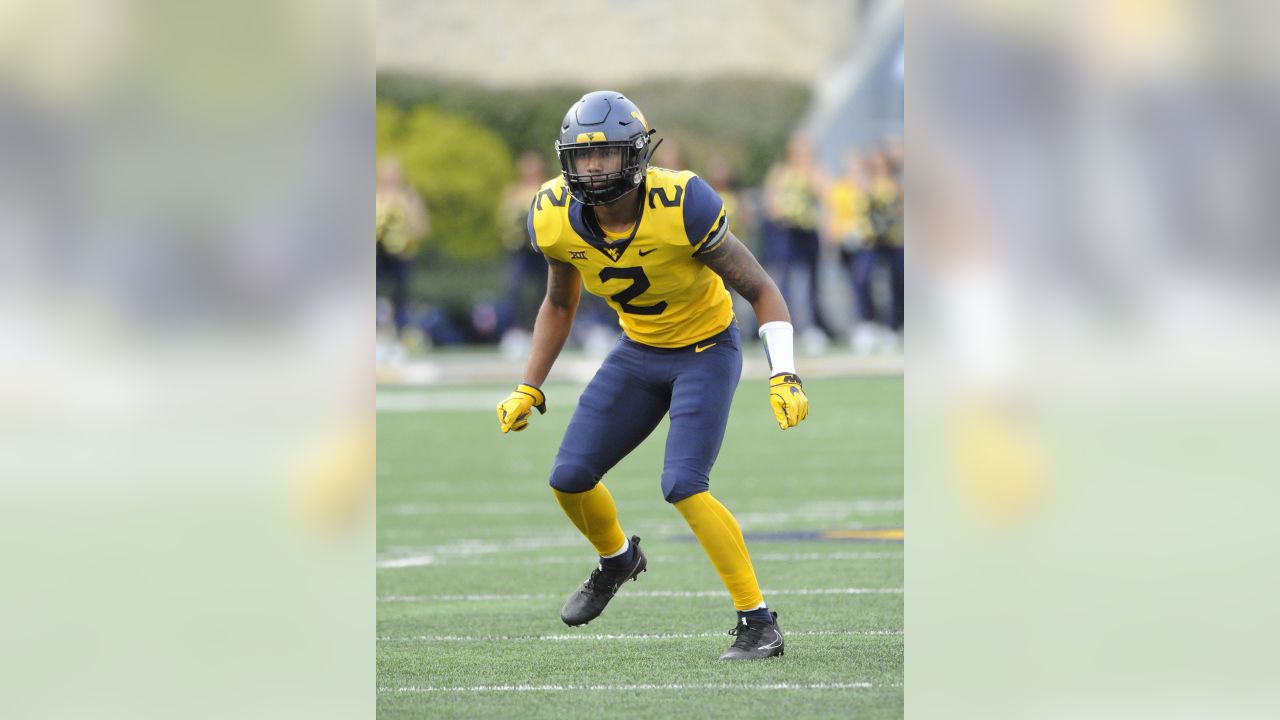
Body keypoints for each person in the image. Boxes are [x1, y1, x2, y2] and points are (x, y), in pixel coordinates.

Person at [495, 91, 809, 661]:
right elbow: (559, 305)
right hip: (637, 351)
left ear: (636, 156)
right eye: (582, 156)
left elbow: (761, 290)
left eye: (606, 155)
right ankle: (617, 558)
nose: (592, 168)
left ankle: (758, 622)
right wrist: (529, 384)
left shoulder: (682, 201)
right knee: (568, 477)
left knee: (683, 484)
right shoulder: (551, 214)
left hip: (705, 351)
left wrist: (783, 374)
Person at [375, 157, 428, 339]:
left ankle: (400, 331)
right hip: (376, 254)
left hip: (402, 255)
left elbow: (421, 229)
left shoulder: (409, 197)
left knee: (401, 295)